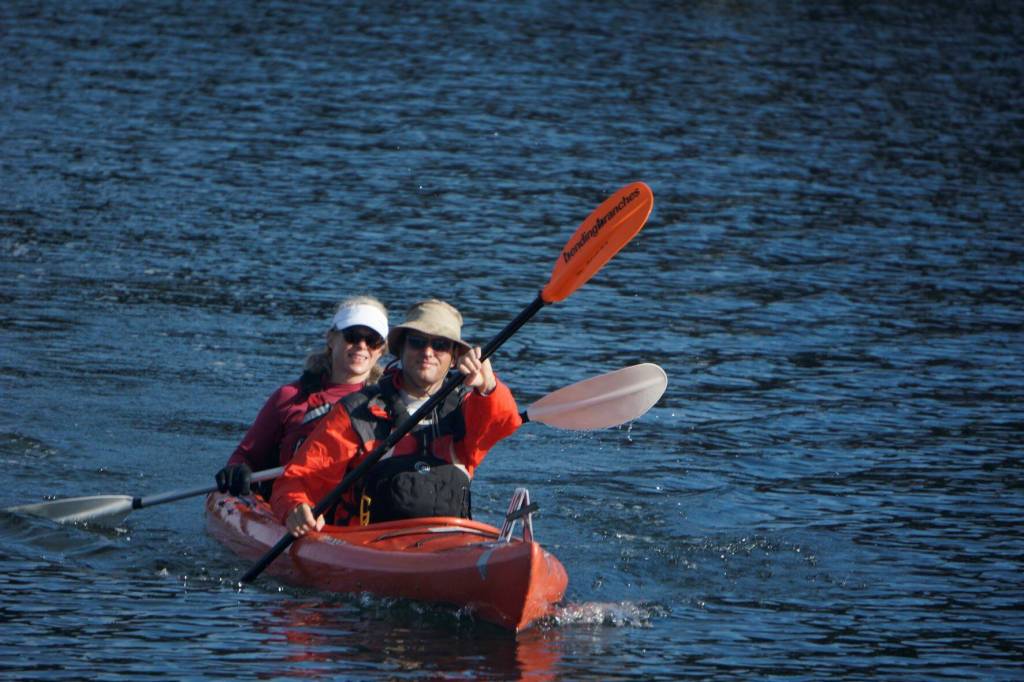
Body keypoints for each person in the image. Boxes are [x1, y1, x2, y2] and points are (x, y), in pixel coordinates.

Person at [270, 298, 522, 534]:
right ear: (401, 348)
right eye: (417, 341)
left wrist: (488, 386)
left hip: (447, 548)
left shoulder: (469, 410)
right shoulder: (358, 412)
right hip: (366, 547)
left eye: (440, 345)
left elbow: (505, 423)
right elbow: (301, 480)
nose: (428, 352)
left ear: (455, 357)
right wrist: (295, 507)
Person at [214, 295, 389, 498]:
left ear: (381, 351)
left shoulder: (389, 404)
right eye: (352, 335)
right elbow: (246, 456)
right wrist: (237, 470)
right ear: (331, 338)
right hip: (290, 507)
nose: (361, 345)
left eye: (372, 340)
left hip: (357, 515)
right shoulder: (290, 398)